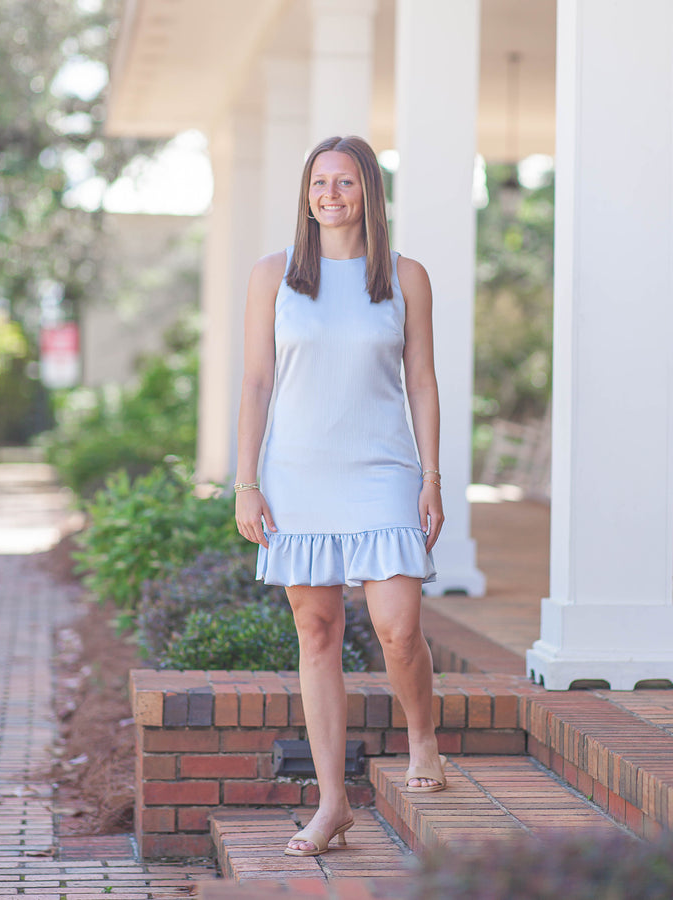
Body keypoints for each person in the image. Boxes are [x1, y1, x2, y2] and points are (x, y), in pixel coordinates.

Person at [234, 135, 446, 858]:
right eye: (319, 182)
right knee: (317, 633)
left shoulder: (406, 276)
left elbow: (421, 382)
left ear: (369, 194)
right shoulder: (274, 276)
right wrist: (246, 483)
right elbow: (257, 384)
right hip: (297, 475)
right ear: (306, 194)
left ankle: (423, 737)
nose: (330, 194)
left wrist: (432, 476)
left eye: (345, 182)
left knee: (396, 624)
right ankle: (333, 804)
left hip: (383, 471)